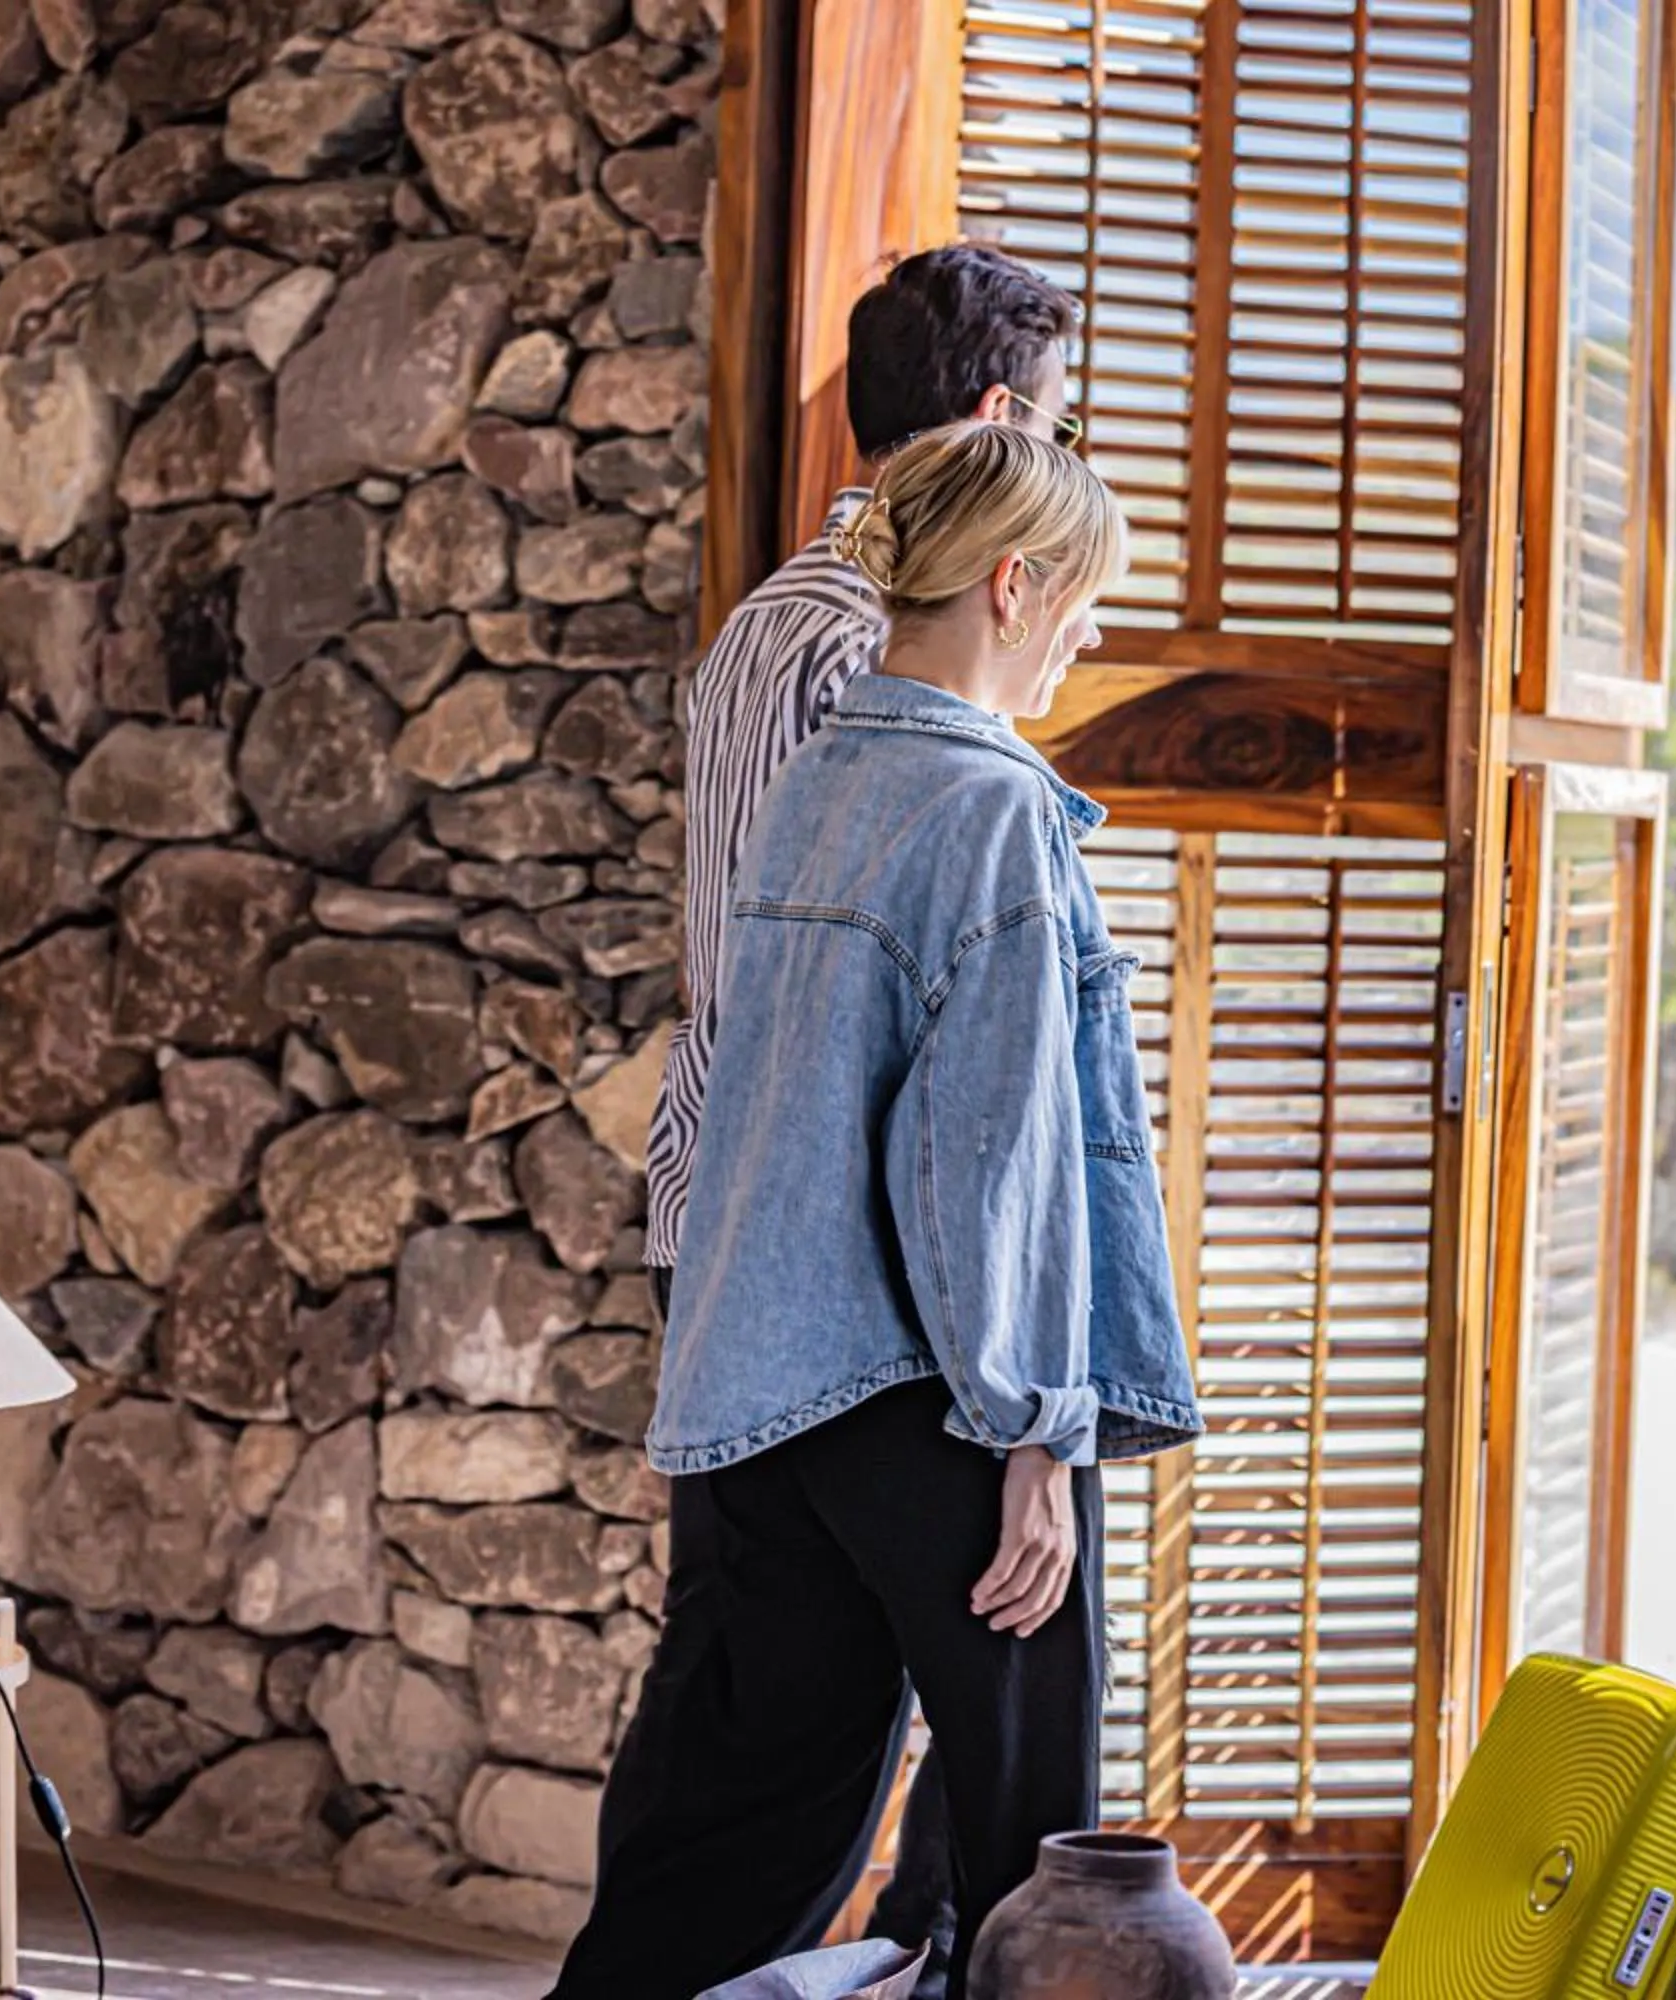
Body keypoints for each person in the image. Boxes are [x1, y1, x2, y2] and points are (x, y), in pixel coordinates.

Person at [553, 422, 1201, 2000]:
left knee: (734, 1826)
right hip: (937, 1397)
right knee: (1038, 1851)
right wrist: (1036, 1433)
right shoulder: (989, 810)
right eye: (1087, 601)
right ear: (1011, 584)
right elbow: (990, 1155)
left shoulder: (821, 775)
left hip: (761, 1384)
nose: (1094, 632)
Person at [635, 243, 1082, 1992]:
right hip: (862, 1281)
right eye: (1058, 423)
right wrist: (1019, 1390)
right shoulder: (868, 678)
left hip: (768, 1250)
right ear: (992, 424)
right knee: (920, 1761)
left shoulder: (782, 632)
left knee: (765, 1744)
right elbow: (819, 1035)